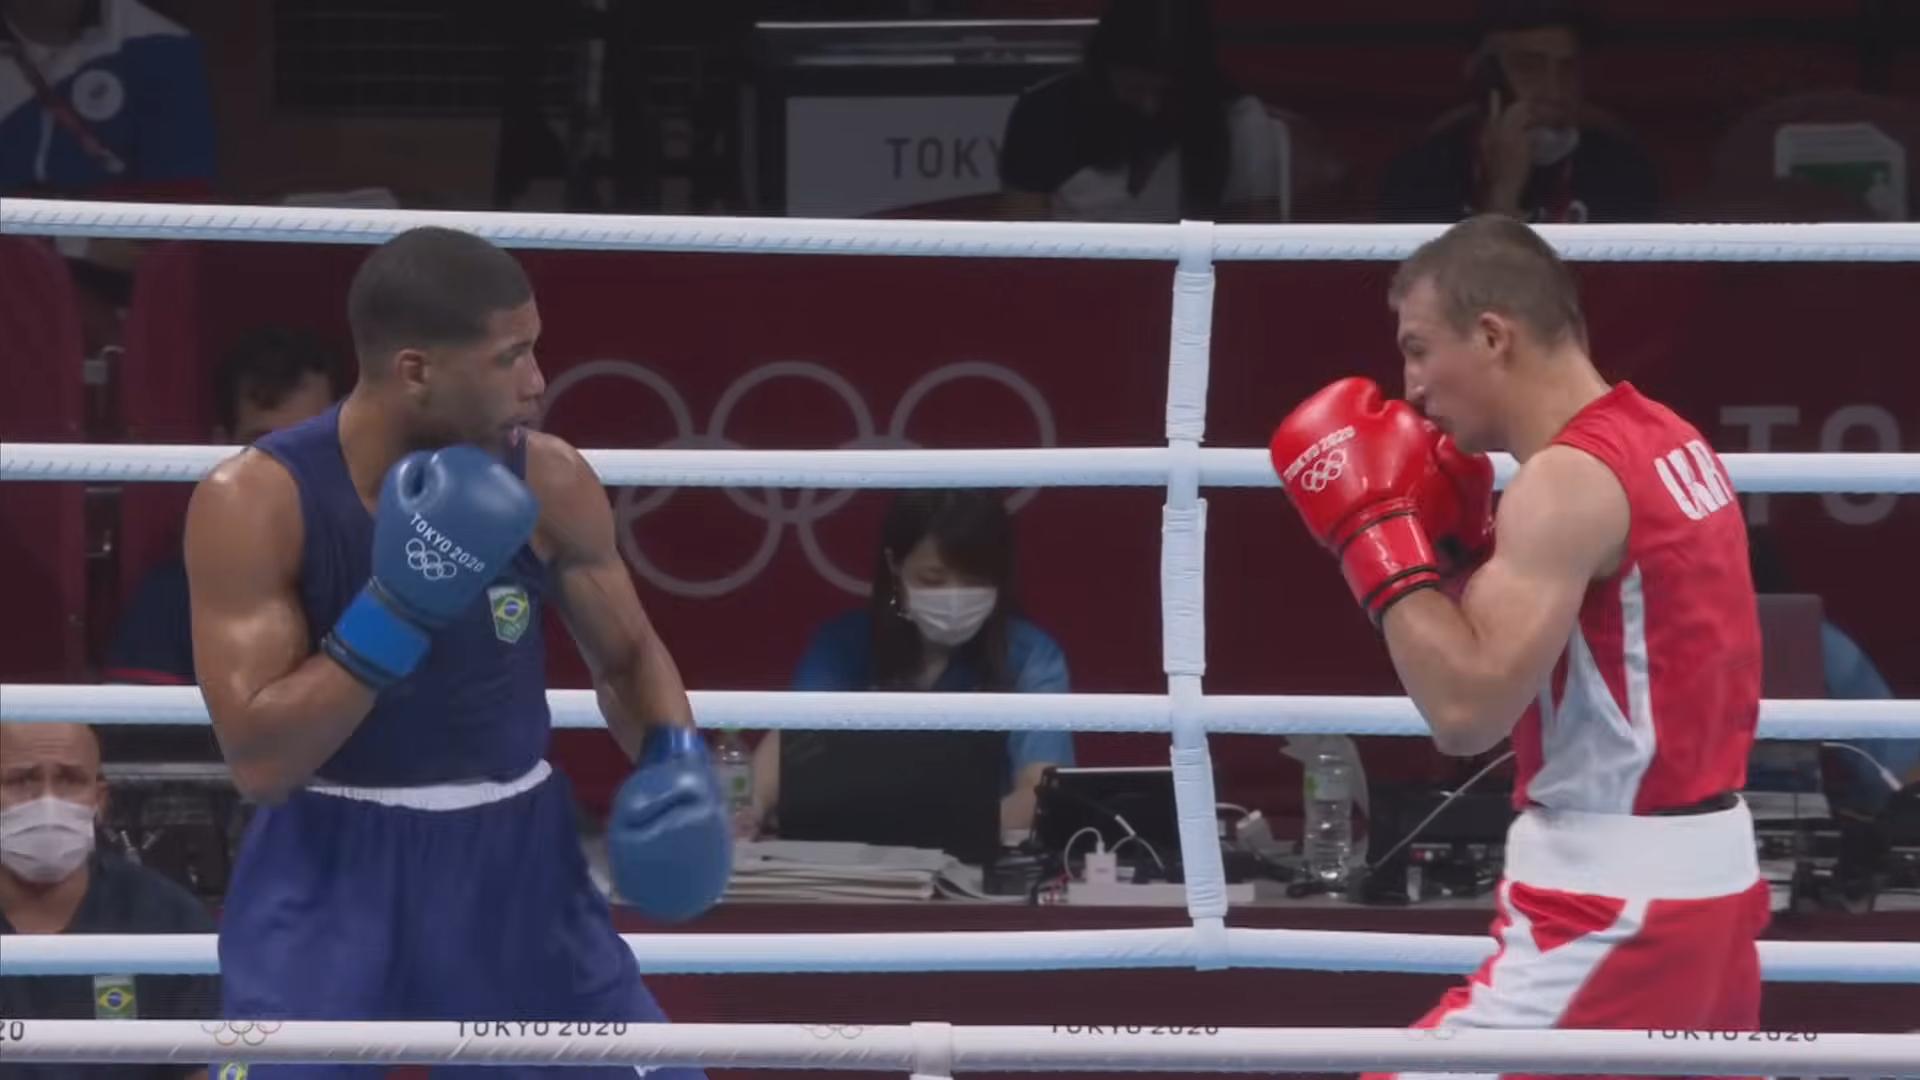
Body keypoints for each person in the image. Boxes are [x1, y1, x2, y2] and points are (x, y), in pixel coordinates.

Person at [183, 226, 729, 1078]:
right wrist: (397, 609)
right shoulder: (258, 499)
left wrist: (679, 755)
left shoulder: (546, 479)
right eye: (510, 357)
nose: (538, 382)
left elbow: (629, 659)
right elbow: (260, 762)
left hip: (511, 855)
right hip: (328, 862)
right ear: (416, 370)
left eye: (535, 349)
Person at [1268, 214, 1768, 1060]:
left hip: (1618, 909)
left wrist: (1376, 534)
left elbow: (1465, 711)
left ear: (1493, 334)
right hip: (1700, 884)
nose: (1411, 384)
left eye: (1420, 348)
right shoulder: (1668, 438)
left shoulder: (1565, 483)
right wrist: (1461, 561)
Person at [748, 490, 1075, 839]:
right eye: (933, 580)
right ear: (895, 566)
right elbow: (788, 746)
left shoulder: (1033, 656)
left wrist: (942, 831)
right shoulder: (842, 646)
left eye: (976, 580)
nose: (954, 597)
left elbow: (1040, 789)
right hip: (856, 860)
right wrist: (749, 809)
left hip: (980, 858)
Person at [107, 327, 345, 688]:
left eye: (311, 442)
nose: (291, 469)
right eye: (266, 444)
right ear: (223, 449)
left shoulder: (382, 578)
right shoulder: (168, 598)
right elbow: (143, 743)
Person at [0, 722, 217, 1080]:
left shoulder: (169, 920)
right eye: (22, 780)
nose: (47, 803)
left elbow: (201, 1069)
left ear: (99, 800)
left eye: (70, 780)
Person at [998, 0, 1282, 223]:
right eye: (1135, 89)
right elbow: (1023, 254)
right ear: (1104, 68)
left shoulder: (1240, 121)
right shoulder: (1043, 114)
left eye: (1169, 93)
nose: (1151, 107)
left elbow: (1254, 260)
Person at [1379, 0, 1658, 224]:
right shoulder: (1424, 173)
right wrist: (1502, 194)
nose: (1554, 89)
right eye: (1530, 67)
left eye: (1567, 68)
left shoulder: (1622, 170)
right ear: (1483, 74)